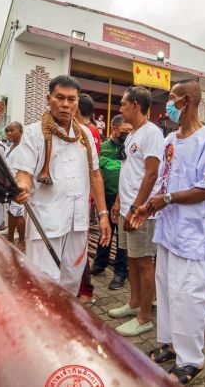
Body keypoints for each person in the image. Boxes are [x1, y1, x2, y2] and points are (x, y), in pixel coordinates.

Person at [129, 80, 205, 385]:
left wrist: (165, 199)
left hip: (191, 235)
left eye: (172, 99)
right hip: (168, 231)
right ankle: (170, 344)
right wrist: (147, 207)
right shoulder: (170, 141)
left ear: (187, 101)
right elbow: (163, 182)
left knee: (189, 296)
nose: (168, 105)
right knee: (168, 291)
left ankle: (192, 359)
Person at [11, 75, 111, 296]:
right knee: (43, 284)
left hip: (78, 222)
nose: (66, 104)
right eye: (60, 98)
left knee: (71, 282)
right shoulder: (34, 132)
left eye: (71, 99)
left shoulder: (84, 134)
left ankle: (66, 326)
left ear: (77, 102)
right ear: (49, 99)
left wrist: (103, 213)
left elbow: (95, 175)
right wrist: (23, 187)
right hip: (46, 222)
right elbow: (24, 173)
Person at [108, 86, 164, 337]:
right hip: (128, 205)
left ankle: (144, 317)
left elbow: (152, 173)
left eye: (123, 104)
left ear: (136, 106)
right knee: (130, 257)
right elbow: (129, 170)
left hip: (141, 210)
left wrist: (135, 208)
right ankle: (133, 304)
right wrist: (120, 201)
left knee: (143, 261)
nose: (120, 109)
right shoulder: (132, 134)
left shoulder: (152, 133)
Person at [92, 115, 131, 290]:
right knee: (105, 231)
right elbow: (97, 170)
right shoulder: (104, 147)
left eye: (130, 131)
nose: (127, 134)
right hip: (106, 197)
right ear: (114, 129)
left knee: (122, 238)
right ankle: (100, 264)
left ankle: (120, 273)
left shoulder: (131, 147)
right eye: (124, 131)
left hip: (126, 198)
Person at [74, 93, 102, 304]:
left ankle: (84, 289)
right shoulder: (93, 130)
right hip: (83, 193)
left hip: (82, 194)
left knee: (78, 244)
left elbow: (93, 170)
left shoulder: (84, 131)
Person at [4, 122, 26, 249]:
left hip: (19, 184)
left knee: (18, 213)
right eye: (7, 131)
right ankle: (10, 238)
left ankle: (21, 240)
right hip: (9, 184)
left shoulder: (23, 147)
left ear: (21, 131)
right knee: (11, 212)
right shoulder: (10, 147)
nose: (9, 133)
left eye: (12, 130)